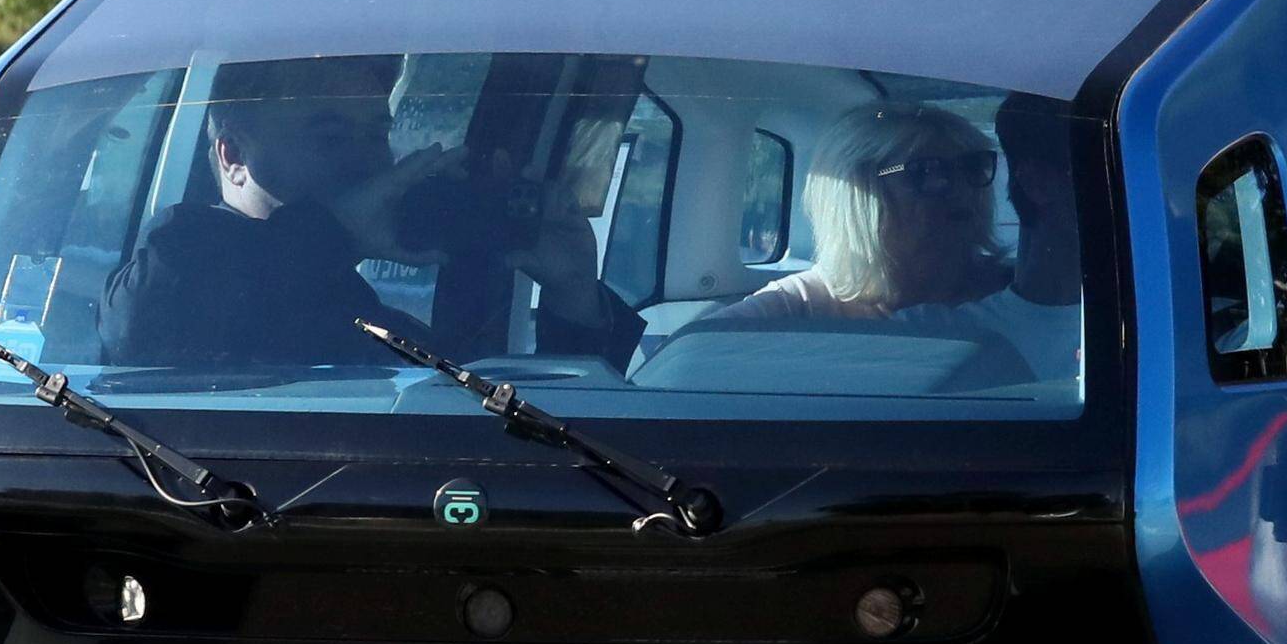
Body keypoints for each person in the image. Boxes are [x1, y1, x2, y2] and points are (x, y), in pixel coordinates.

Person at [100, 57, 633, 374]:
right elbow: (142, 328)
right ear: (234, 157)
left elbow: (539, 441)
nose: (366, 160)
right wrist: (338, 233)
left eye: (376, 134)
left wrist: (573, 298)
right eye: (330, 136)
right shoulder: (179, 260)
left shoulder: (377, 324)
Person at [690, 99, 1079, 382]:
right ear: (857, 193)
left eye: (972, 167)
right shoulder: (795, 307)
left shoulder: (1030, 298)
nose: (962, 189)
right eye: (928, 172)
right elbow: (688, 362)